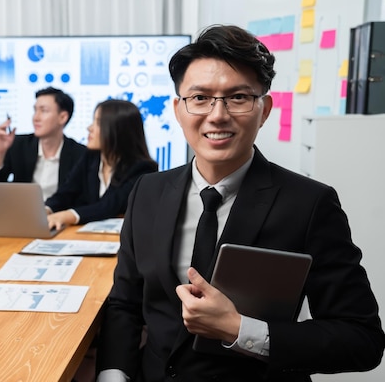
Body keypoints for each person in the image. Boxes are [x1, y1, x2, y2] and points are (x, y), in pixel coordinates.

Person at [96, 25, 384, 381]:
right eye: (200, 98)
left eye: (238, 97)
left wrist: (239, 329)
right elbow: (125, 303)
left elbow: (362, 339)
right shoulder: (148, 192)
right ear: (178, 109)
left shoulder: (309, 204)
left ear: (264, 110)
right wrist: (113, 373)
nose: (217, 115)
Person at [45, 99, 157, 229]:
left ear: (117, 130)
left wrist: (65, 216)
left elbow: (109, 206)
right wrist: (47, 210)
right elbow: (66, 192)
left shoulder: (142, 168)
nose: (89, 128)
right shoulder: (90, 157)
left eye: (97, 123)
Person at [0, 86, 87, 200]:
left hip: (59, 216)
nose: (36, 117)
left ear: (62, 117)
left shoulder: (80, 154)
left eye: (44, 111)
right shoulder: (18, 145)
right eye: (35, 110)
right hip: (22, 214)